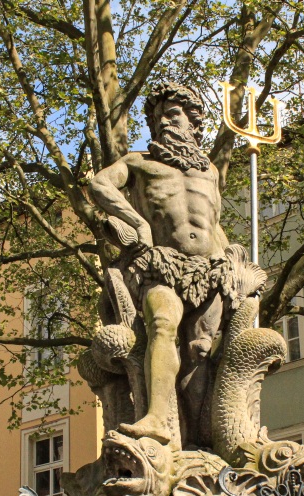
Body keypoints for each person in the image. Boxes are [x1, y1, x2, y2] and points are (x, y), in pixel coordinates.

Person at [89, 82, 230, 446]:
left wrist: (233, 263)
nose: (163, 123)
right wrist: (136, 222)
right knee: (162, 323)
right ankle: (154, 418)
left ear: (192, 122)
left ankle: (203, 441)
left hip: (209, 268)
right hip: (160, 264)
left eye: (172, 115)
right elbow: (100, 185)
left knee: (201, 352)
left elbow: (213, 223)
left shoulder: (210, 171)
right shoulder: (138, 162)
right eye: (156, 118)